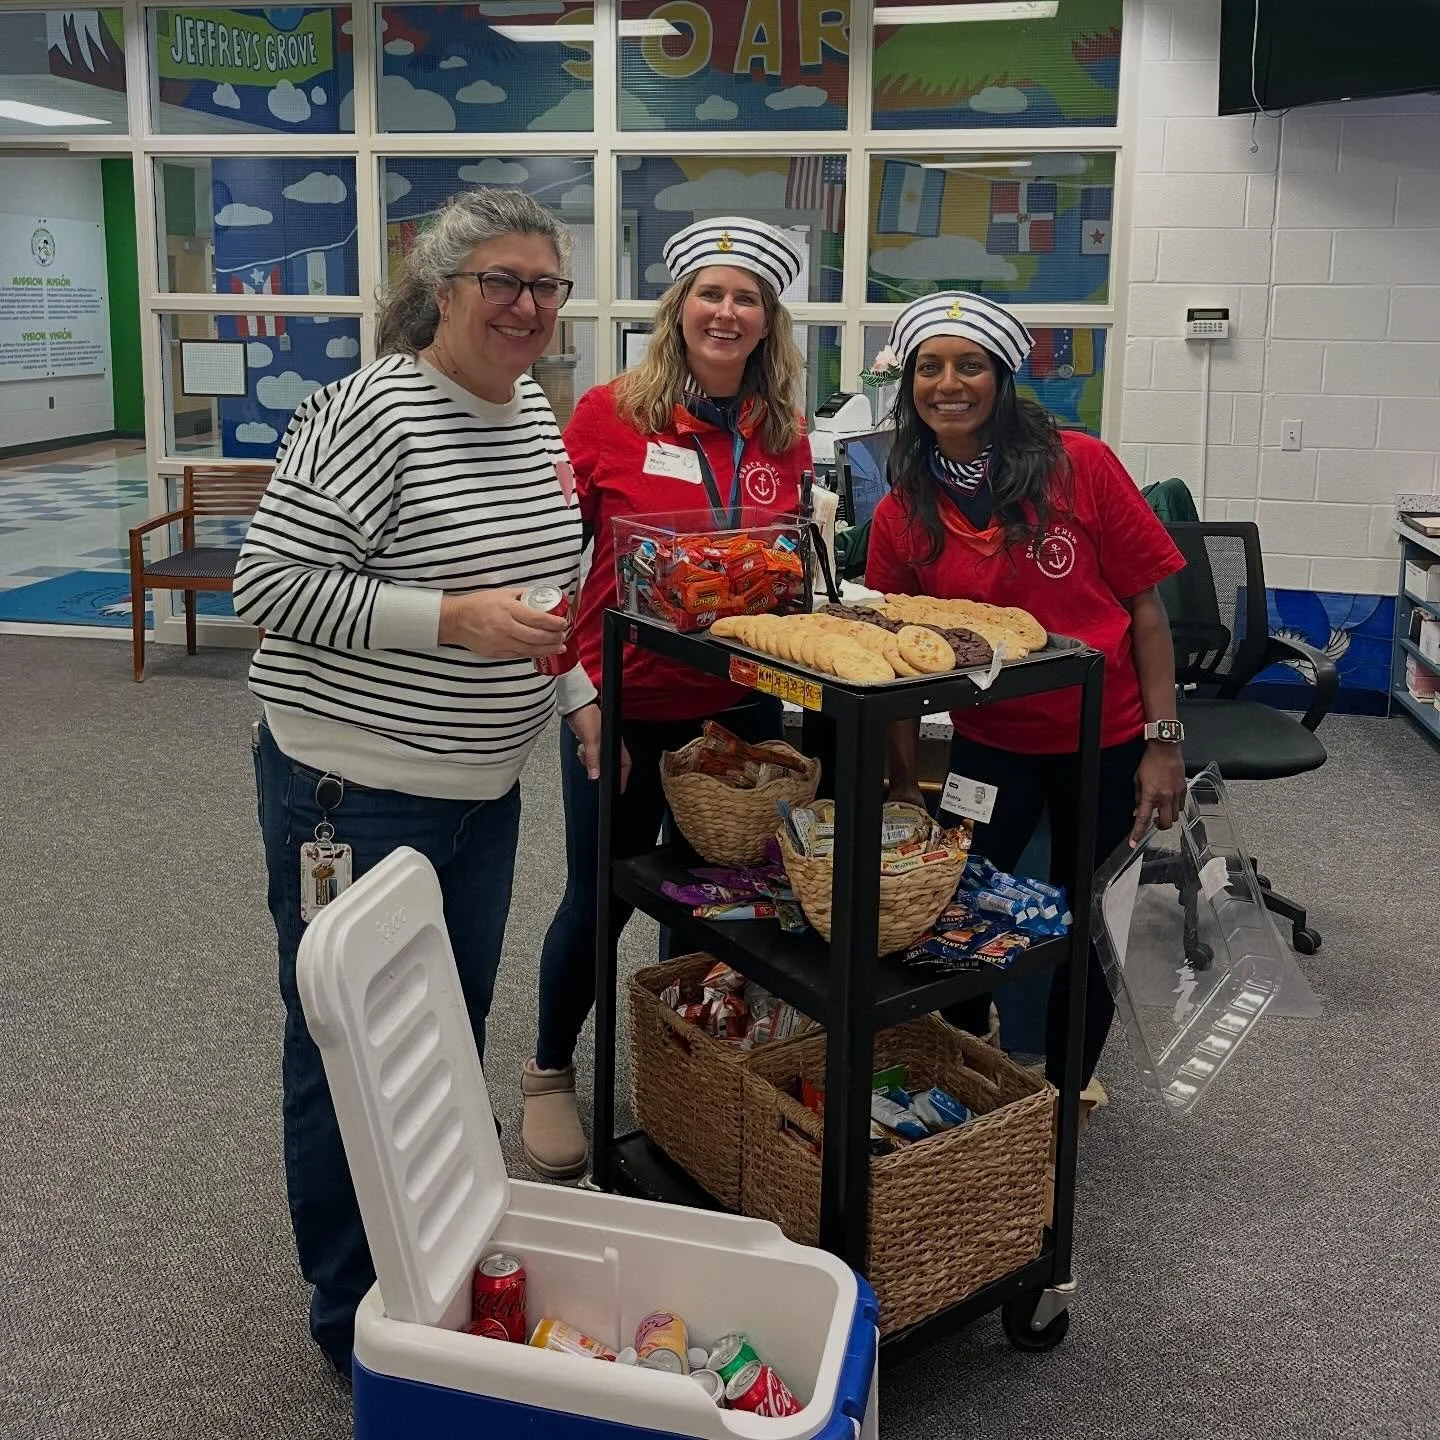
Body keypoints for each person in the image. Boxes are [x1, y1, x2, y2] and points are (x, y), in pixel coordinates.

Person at [234, 188, 604, 1379]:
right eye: (502, 280)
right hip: (354, 792)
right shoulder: (373, 410)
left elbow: (545, 593)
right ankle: (354, 1319)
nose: (528, 306)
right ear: (441, 288)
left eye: (546, 285)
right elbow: (269, 586)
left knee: (442, 1039)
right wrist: (447, 620)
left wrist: (571, 693)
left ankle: (430, 1263)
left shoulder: (535, 414)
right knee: (349, 1048)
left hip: (481, 792)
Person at [521, 218, 813, 1180]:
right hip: (624, 702)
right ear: (677, 310)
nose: (727, 313)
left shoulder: (784, 435)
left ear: (769, 323)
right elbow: (545, 562)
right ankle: (550, 1071)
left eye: (748, 300)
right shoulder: (610, 415)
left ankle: (686, 1063)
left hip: (739, 709)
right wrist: (576, 691)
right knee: (599, 892)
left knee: (716, 901)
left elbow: (779, 567)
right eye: (710, 294)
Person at [865, 290, 1187, 1094]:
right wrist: (904, 777)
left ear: (1002, 378)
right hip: (988, 747)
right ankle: (978, 1049)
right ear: (909, 384)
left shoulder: (1081, 464)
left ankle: (1071, 1084)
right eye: (929, 368)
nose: (949, 383)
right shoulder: (904, 506)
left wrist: (1164, 743)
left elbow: (1147, 611)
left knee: (1092, 918)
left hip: (1102, 741)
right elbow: (895, 660)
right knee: (954, 906)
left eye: (969, 365)